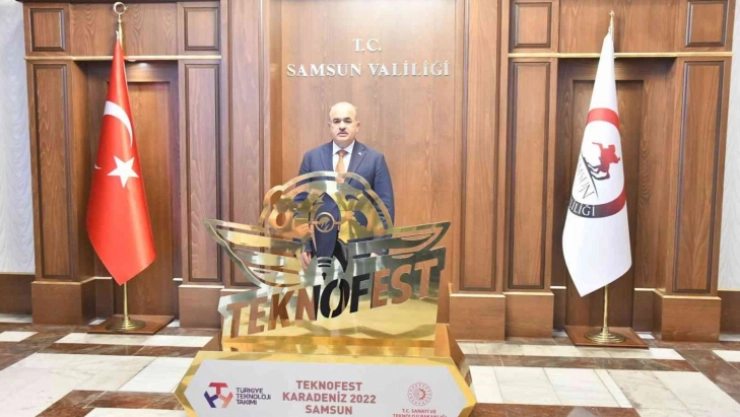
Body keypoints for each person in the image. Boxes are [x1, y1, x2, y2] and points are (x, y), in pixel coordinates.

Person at [298, 102, 395, 268]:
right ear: (330, 126)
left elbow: (384, 207)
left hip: (362, 250)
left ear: (357, 126)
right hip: (320, 249)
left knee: (358, 287)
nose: (342, 126)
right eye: (336, 121)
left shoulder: (374, 159)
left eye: (347, 121)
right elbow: (301, 205)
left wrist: (379, 247)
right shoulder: (312, 158)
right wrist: (303, 244)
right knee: (323, 286)